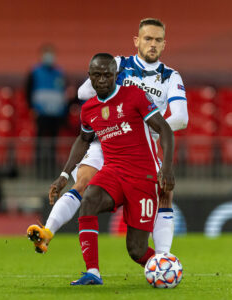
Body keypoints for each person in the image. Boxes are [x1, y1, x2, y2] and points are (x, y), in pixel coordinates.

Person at [27, 18, 188, 255]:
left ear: (164, 44)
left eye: (157, 40)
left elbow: (181, 118)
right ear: (137, 41)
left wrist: (142, 128)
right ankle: (47, 233)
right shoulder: (119, 64)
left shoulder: (170, 77)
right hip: (107, 142)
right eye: (147, 39)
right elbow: (83, 92)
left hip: (141, 148)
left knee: (165, 193)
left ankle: (163, 258)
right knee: (82, 183)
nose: (152, 44)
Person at [30, 53, 174, 285]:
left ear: (116, 75)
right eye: (97, 75)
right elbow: (83, 139)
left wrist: (166, 167)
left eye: (108, 74)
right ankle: (93, 272)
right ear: (90, 77)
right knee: (89, 199)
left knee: (136, 250)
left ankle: (165, 266)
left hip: (142, 175)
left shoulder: (134, 96)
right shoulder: (88, 109)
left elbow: (164, 129)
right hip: (113, 171)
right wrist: (63, 175)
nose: (103, 80)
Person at [25, 44, 68, 178]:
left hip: (56, 114)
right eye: (46, 54)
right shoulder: (34, 71)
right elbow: (28, 91)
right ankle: (39, 170)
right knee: (40, 143)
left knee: (53, 144)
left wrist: (63, 112)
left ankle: (51, 170)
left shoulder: (60, 73)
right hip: (41, 113)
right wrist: (32, 108)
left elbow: (63, 92)